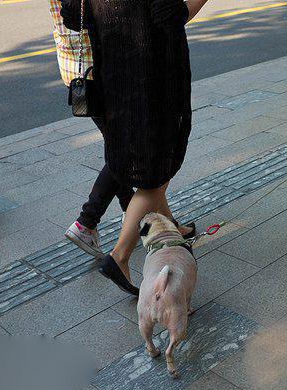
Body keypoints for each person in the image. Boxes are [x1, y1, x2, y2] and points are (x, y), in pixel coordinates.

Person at [61, 0, 208, 294]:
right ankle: (120, 256)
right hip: (153, 79)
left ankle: (171, 237)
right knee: (154, 173)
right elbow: (169, 15)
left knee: (144, 163)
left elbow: (72, 17)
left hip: (113, 77)